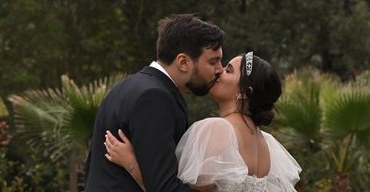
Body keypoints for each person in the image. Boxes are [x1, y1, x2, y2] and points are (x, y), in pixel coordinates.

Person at [104, 51, 301, 192]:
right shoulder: (267, 144)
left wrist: (131, 164)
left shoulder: (217, 130)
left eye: (229, 70)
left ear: (244, 93)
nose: (219, 72)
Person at [84, 14, 225, 192]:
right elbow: (165, 187)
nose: (220, 69)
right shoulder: (154, 97)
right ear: (183, 62)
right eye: (213, 61)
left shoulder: (127, 87)